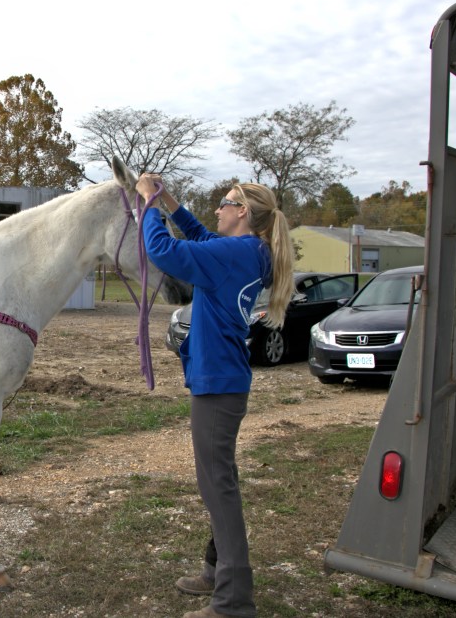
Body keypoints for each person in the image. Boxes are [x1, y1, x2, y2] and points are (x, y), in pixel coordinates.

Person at [135, 173, 294, 618]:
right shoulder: (250, 251)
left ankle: (233, 601)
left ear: (242, 211)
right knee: (219, 481)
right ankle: (216, 569)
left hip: (218, 384)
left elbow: (163, 251)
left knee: (217, 487)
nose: (218, 209)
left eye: (225, 202)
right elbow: (203, 236)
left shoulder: (236, 252)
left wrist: (149, 205)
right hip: (225, 381)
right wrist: (171, 202)